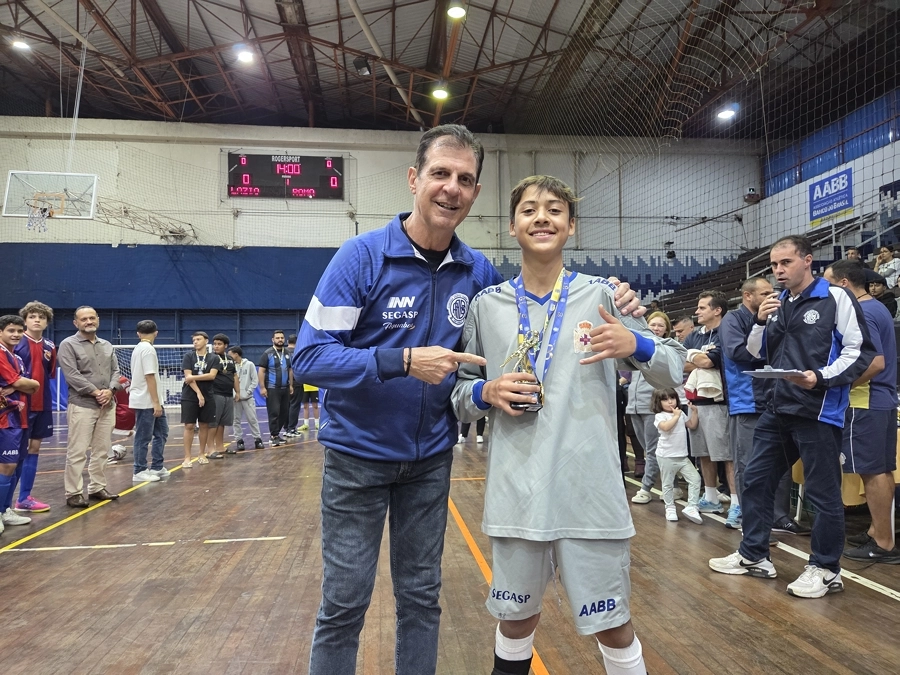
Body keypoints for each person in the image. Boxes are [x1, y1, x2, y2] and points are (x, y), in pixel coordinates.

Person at [293, 125, 645, 675]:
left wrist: (621, 300)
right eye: (440, 174)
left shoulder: (477, 274)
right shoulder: (360, 258)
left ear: (475, 193)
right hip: (357, 459)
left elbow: (524, 323)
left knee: (420, 600)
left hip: (430, 462)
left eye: (464, 179)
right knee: (343, 604)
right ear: (414, 179)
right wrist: (403, 361)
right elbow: (308, 360)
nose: (451, 188)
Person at [452, 175, 685, 675]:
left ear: (572, 227)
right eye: (530, 209)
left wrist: (637, 345)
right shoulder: (485, 306)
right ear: (512, 226)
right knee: (515, 620)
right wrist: (483, 391)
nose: (542, 217)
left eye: (555, 210)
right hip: (517, 494)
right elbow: (457, 396)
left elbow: (673, 369)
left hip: (590, 495)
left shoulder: (606, 297)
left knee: (613, 624)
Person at [709, 235, 875, 598]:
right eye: (774, 265)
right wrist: (757, 320)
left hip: (818, 409)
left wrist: (822, 377)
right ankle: (754, 555)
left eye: (785, 263)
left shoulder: (835, 297)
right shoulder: (777, 303)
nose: (779, 271)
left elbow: (860, 351)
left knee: (822, 493)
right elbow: (753, 354)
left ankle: (827, 569)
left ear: (807, 261)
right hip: (777, 407)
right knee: (754, 480)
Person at [719, 278, 808, 537]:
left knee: (780, 462)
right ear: (748, 296)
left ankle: (778, 516)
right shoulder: (733, 320)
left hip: (776, 399)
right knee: (749, 465)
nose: (773, 296)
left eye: (773, 292)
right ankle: (752, 523)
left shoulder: (776, 317)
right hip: (747, 401)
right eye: (766, 293)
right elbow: (739, 353)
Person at [824, 260, 900, 562]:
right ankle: (876, 531)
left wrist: (835, 384)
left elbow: (875, 363)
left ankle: (882, 542)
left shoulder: (863, 311)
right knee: (879, 468)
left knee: (872, 470)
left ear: (844, 284)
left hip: (865, 400)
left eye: (829, 284)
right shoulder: (877, 307)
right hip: (878, 400)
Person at [58, 306, 123, 507]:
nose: (88, 321)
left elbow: (116, 371)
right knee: (77, 451)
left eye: (91, 318)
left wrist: (111, 391)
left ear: (98, 320)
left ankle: (97, 488)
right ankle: (73, 493)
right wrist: (97, 392)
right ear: (76, 323)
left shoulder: (107, 345)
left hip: (107, 405)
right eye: (83, 319)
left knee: (102, 450)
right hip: (82, 405)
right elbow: (72, 375)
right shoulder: (68, 344)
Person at [683, 291, 737, 525]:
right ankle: (712, 498)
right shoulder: (694, 336)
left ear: (717, 310)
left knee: (726, 455)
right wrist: (699, 357)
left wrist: (698, 359)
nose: (697, 311)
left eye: (702, 307)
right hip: (695, 402)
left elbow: (708, 362)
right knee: (703, 454)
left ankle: (736, 504)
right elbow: (681, 364)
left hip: (719, 402)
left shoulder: (727, 332)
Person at [11, 300, 56, 513]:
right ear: (25, 320)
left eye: (41, 317)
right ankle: (6, 503)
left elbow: (50, 374)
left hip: (42, 404)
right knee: (13, 453)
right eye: (32, 316)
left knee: (34, 448)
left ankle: (24, 498)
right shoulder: (16, 344)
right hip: (18, 405)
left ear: (47, 322)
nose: (37, 320)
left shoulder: (50, 346)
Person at [0, 316, 41, 534]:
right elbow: (20, 383)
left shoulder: (15, 356)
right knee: (6, 465)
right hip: (5, 418)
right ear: (0, 332)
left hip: (21, 417)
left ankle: (5, 509)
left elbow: (26, 385)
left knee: (15, 465)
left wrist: (29, 385)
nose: (15, 335)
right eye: (10, 331)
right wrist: (31, 384)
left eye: (18, 331)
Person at [651, 388, 702, 524]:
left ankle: (692, 506)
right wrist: (676, 416)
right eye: (665, 399)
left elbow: (691, 425)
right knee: (667, 484)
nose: (670, 402)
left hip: (682, 456)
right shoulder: (660, 416)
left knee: (695, 479)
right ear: (658, 402)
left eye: (672, 398)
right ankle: (670, 507)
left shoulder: (679, 414)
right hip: (666, 456)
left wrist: (694, 412)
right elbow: (666, 427)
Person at [129, 320, 169, 483]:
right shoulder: (147, 350)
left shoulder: (139, 348)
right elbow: (149, 376)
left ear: (138, 333)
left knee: (162, 432)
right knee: (143, 436)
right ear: (156, 333)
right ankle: (139, 469)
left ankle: (157, 466)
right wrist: (155, 402)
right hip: (146, 401)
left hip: (151, 400)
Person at [180, 331, 220, 468]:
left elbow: (212, 376)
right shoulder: (188, 356)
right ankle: (187, 457)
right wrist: (198, 393)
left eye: (198, 339)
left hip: (208, 395)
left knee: (204, 425)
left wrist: (194, 377)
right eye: (194, 340)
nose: (195, 342)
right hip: (190, 395)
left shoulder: (213, 358)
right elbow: (187, 377)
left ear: (206, 341)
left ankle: (202, 454)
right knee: (189, 425)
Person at [208, 334, 238, 459]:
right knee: (213, 422)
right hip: (216, 393)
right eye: (215, 344)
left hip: (228, 394)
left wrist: (238, 392)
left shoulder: (230, 359)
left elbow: (235, 376)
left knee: (222, 423)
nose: (216, 346)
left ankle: (220, 447)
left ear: (225, 346)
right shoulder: (211, 358)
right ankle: (210, 449)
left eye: (219, 344)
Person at [259, 330, 292, 446]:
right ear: (273, 340)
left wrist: (291, 385)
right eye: (277, 338)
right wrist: (262, 387)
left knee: (284, 412)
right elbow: (261, 371)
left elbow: (290, 370)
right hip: (272, 388)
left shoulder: (287, 353)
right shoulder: (267, 353)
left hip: (285, 388)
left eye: (282, 338)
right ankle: (273, 436)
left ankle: (277, 434)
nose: (280, 340)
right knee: (274, 412)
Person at [227, 346, 264, 451]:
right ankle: (239, 440)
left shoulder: (249, 364)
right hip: (235, 399)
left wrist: (248, 392)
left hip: (247, 398)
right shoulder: (229, 366)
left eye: (230, 355)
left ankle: (258, 439)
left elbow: (254, 380)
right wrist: (233, 393)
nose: (228, 357)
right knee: (236, 420)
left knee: (252, 419)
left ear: (236, 354)